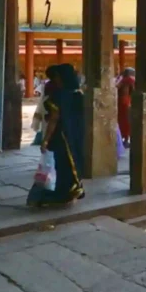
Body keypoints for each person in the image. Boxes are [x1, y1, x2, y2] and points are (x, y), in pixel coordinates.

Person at [27, 63, 85, 208]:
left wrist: (45, 140)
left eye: (58, 77)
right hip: (76, 134)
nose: (56, 80)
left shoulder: (59, 95)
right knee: (74, 161)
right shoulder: (79, 94)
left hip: (61, 136)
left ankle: (62, 194)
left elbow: (54, 119)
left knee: (62, 164)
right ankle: (73, 190)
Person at [116, 67, 135, 149]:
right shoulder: (129, 80)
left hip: (119, 102)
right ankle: (126, 139)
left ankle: (122, 139)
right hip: (126, 101)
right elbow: (133, 90)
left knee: (121, 121)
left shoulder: (121, 80)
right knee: (127, 121)